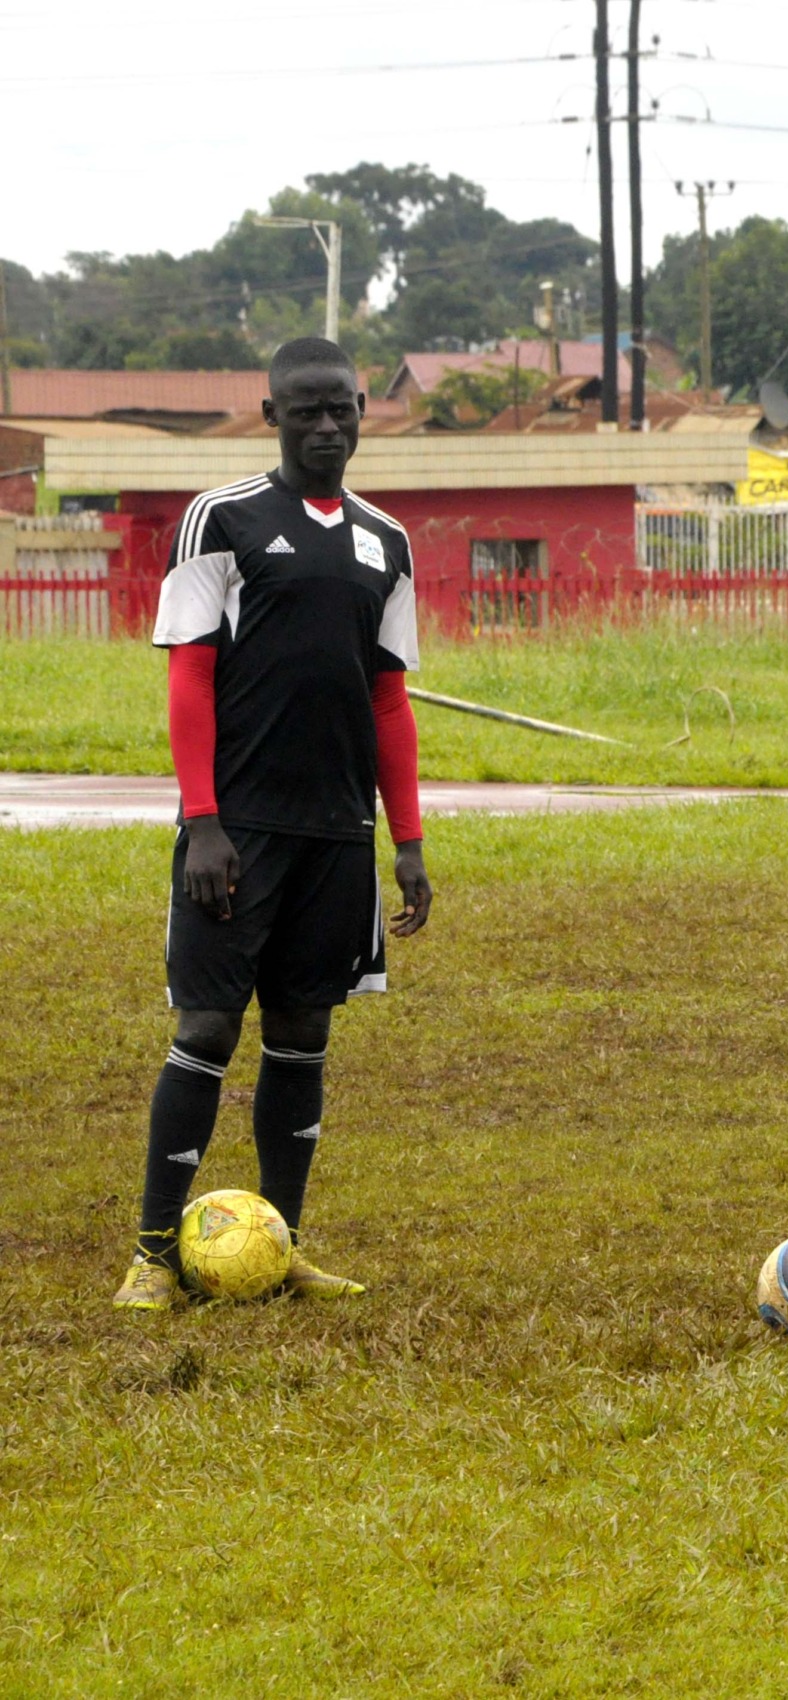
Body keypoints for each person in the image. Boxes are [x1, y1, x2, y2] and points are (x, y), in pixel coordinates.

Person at [113, 336, 430, 1311]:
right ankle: (154, 1255)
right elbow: (190, 676)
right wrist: (203, 821)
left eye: (341, 409)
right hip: (239, 828)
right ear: (272, 413)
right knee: (206, 1026)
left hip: (338, 834)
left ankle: (282, 1246)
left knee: (302, 1033)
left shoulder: (387, 542)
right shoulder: (224, 518)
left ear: (362, 410)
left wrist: (407, 839)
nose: (327, 426)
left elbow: (387, 701)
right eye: (307, 412)